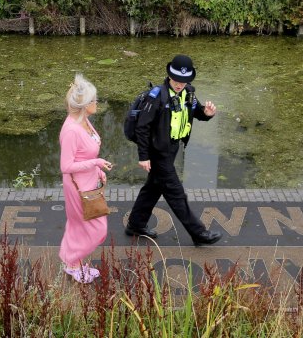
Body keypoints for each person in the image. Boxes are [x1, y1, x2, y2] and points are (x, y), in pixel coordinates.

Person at [126, 54, 223, 246]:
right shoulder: (157, 96)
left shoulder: (189, 93)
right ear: (169, 76)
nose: (180, 84)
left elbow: (196, 112)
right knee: (176, 193)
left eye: (184, 81)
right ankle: (199, 233)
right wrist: (144, 156)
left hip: (172, 148)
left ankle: (136, 224)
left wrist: (207, 114)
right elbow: (142, 127)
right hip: (157, 151)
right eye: (177, 80)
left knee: (153, 188)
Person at [59, 73, 113, 283]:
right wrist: (96, 163)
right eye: (93, 100)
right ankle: (72, 263)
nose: (96, 103)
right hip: (79, 188)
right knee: (97, 229)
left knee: (78, 225)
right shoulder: (71, 130)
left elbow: (85, 154)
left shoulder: (84, 121)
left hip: (90, 183)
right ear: (83, 105)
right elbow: (66, 166)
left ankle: (71, 260)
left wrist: (97, 171)